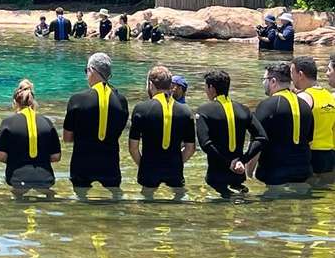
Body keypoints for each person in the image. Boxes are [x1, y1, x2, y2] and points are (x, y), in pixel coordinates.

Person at [63, 53, 129, 198]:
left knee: (80, 202)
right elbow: (119, 130)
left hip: (82, 162)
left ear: (92, 70)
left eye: (86, 71)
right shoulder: (122, 101)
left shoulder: (77, 100)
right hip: (110, 163)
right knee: (115, 202)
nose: (86, 75)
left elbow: (67, 138)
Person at [195, 70, 268, 198]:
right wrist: (242, 160)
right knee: (239, 201)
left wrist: (228, 162)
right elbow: (261, 137)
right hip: (238, 172)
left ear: (211, 88)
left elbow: (205, 144)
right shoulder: (244, 110)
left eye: (205, 87)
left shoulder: (204, 111)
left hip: (216, 174)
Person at [128, 65, 196, 198]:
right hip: (175, 168)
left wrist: (143, 165)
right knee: (179, 200)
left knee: (146, 202)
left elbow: (133, 147)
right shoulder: (185, 111)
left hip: (149, 168)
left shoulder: (141, 109)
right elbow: (190, 149)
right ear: (170, 85)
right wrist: (175, 162)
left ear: (151, 84)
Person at [247, 63, 313, 187]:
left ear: (273, 81)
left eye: (264, 80)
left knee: (275, 205)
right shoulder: (305, 105)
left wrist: (248, 174)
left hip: (274, 174)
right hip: (303, 172)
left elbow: (257, 142)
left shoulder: (267, 105)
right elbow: (309, 140)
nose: (263, 84)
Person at [0, 79, 61, 198]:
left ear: (15, 102)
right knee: (49, 197)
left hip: (17, 177)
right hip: (45, 177)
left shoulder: (7, 123)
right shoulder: (48, 123)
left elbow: (0, 156)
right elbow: (56, 157)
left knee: (16, 202)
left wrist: (17, 159)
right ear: (33, 102)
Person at [290, 57, 335, 181]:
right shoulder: (329, 96)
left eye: (291, 73)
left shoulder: (304, 98)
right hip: (329, 154)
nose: (291, 78)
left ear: (300, 74)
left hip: (311, 153)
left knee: (306, 193)